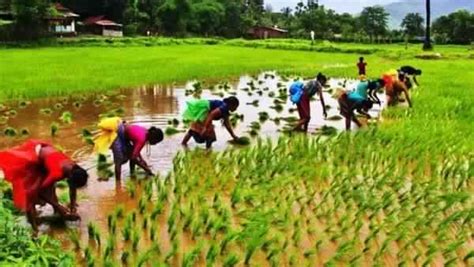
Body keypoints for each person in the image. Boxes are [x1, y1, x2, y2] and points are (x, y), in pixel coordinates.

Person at [0, 140, 88, 235]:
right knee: (30, 194)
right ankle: (34, 229)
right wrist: (58, 206)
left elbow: (72, 186)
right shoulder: (57, 172)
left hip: (46, 160)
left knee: (50, 186)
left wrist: (72, 207)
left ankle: (56, 212)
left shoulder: (74, 168)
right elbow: (40, 191)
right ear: (70, 177)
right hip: (33, 157)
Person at [94, 117, 164, 180]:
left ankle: (132, 175)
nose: (155, 144)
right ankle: (118, 184)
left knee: (131, 154)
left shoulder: (145, 133)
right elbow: (134, 157)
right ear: (153, 138)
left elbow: (136, 151)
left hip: (123, 132)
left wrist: (142, 160)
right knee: (119, 160)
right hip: (117, 133)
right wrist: (146, 169)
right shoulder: (142, 139)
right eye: (156, 142)